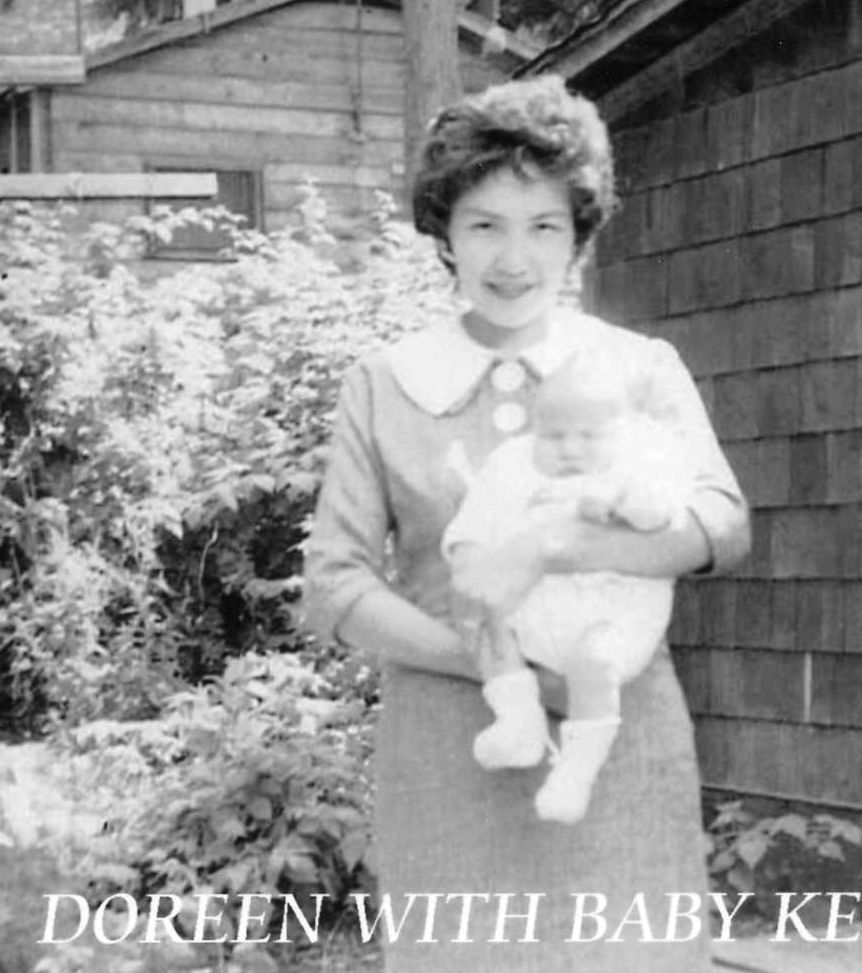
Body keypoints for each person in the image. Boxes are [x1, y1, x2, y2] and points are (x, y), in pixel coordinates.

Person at [302, 75, 749, 972]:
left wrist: (554, 543)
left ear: (579, 234)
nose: (514, 258)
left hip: (617, 739)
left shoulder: (637, 367)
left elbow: (721, 523)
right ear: (444, 234)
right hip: (453, 746)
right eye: (484, 226)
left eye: (543, 226)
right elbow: (334, 585)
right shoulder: (386, 384)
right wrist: (498, 666)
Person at [441, 349, 698, 825]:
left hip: (609, 609)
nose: (570, 450)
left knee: (594, 662)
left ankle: (576, 772)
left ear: (621, 430)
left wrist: (618, 503)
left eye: (589, 436)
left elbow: (663, 514)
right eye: (554, 436)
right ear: (534, 429)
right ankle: (517, 721)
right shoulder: (512, 464)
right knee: (487, 626)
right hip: (530, 608)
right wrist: (470, 558)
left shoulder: (638, 464)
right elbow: (473, 520)